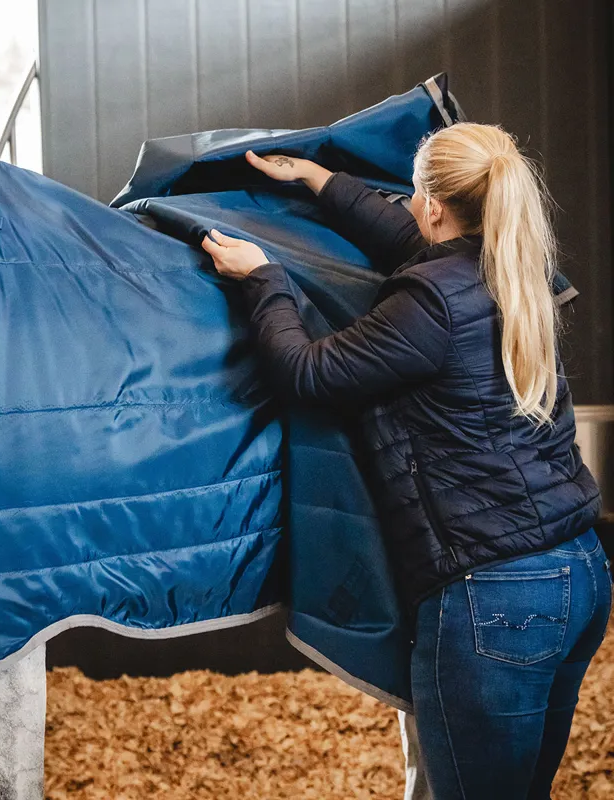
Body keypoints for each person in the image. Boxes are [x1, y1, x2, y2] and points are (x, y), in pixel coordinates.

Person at [201, 123, 612, 799]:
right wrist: (318, 180)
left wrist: (264, 279)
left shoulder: (429, 305)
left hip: (496, 595)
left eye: (415, 198)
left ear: (432, 206)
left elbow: (306, 373)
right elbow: (407, 245)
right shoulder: (515, 267)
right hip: (580, 574)